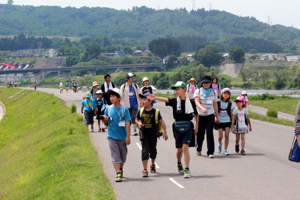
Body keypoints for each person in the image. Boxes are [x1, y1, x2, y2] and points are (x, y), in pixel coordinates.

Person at [148, 81, 198, 179]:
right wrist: (156, 97)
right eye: (175, 89)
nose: (176, 91)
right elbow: (166, 100)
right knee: (179, 150)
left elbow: (197, 114)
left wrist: (197, 127)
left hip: (188, 126)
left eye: (178, 89)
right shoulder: (175, 101)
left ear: (184, 90)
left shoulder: (191, 102)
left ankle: (187, 169)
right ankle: (179, 163)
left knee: (185, 147)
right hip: (178, 127)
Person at [102, 88, 131, 182]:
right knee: (115, 155)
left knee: (123, 156)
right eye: (110, 96)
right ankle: (118, 173)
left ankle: (121, 169)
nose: (111, 98)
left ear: (119, 98)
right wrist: (104, 119)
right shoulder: (108, 108)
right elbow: (105, 121)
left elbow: (127, 123)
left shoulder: (124, 109)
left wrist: (128, 137)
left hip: (122, 137)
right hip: (111, 136)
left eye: (114, 96)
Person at [135, 92, 168, 177]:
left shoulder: (155, 112)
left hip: (153, 135)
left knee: (153, 151)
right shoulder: (141, 111)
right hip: (144, 135)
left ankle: (152, 164)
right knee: (145, 152)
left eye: (145, 99)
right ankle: (145, 169)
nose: (142, 101)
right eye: (142, 99)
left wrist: (165, 133)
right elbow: (136, 119)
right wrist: (139, 123)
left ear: (150, 101)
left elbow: (162, 122)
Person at [194, 75, 219, 158]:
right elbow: (197, 102)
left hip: (210, 116)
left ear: (210, 83)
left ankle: (210, 152)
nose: (206, 84)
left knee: (210, 132)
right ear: (202, 83)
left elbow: (215, 105)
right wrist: (202, 108)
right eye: (204, 83)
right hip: (200, 116)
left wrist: (217, 117)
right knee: (200, 134)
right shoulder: (198, 91)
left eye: (208, 83)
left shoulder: (213, 92)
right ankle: (199, 149)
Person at [215, 88, 234, 156]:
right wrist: (216, 118)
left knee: (227, 135)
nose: (226, 95)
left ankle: (225, 150)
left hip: (227, 121)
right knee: (220, 136)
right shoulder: (218, 102)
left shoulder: (230, 103)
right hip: (220, 121)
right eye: (224, 93)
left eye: (227, 94)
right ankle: (219, 144)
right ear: (222, 94)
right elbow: (215, 112)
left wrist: (232, 124)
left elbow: (232, 114)